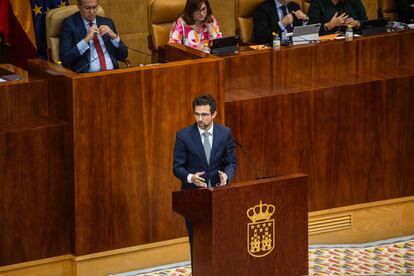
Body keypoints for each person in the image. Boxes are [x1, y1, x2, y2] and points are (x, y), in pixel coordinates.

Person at [172, 94, 237, 265]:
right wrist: (190, 177)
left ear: (213, 114)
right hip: (194, 198)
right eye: (197, 114)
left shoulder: (225, 134)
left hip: (219, 196)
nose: (199, 119)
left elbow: (231, 163)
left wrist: (226, 175)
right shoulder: (183, 136)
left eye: (204, 114)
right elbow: (177, 167)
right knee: (198, 242)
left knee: (223, 241)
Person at [59, 0, 128, 73]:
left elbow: (123, 55)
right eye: (87, 8)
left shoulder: (107, 22)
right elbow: (65, 59)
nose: (91, 12)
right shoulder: (69, 24)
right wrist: (86, 40)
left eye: (94, 7)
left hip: (112, 74)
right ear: (78, 6)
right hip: (86, 78)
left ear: (98, 5)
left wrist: (114, 36)